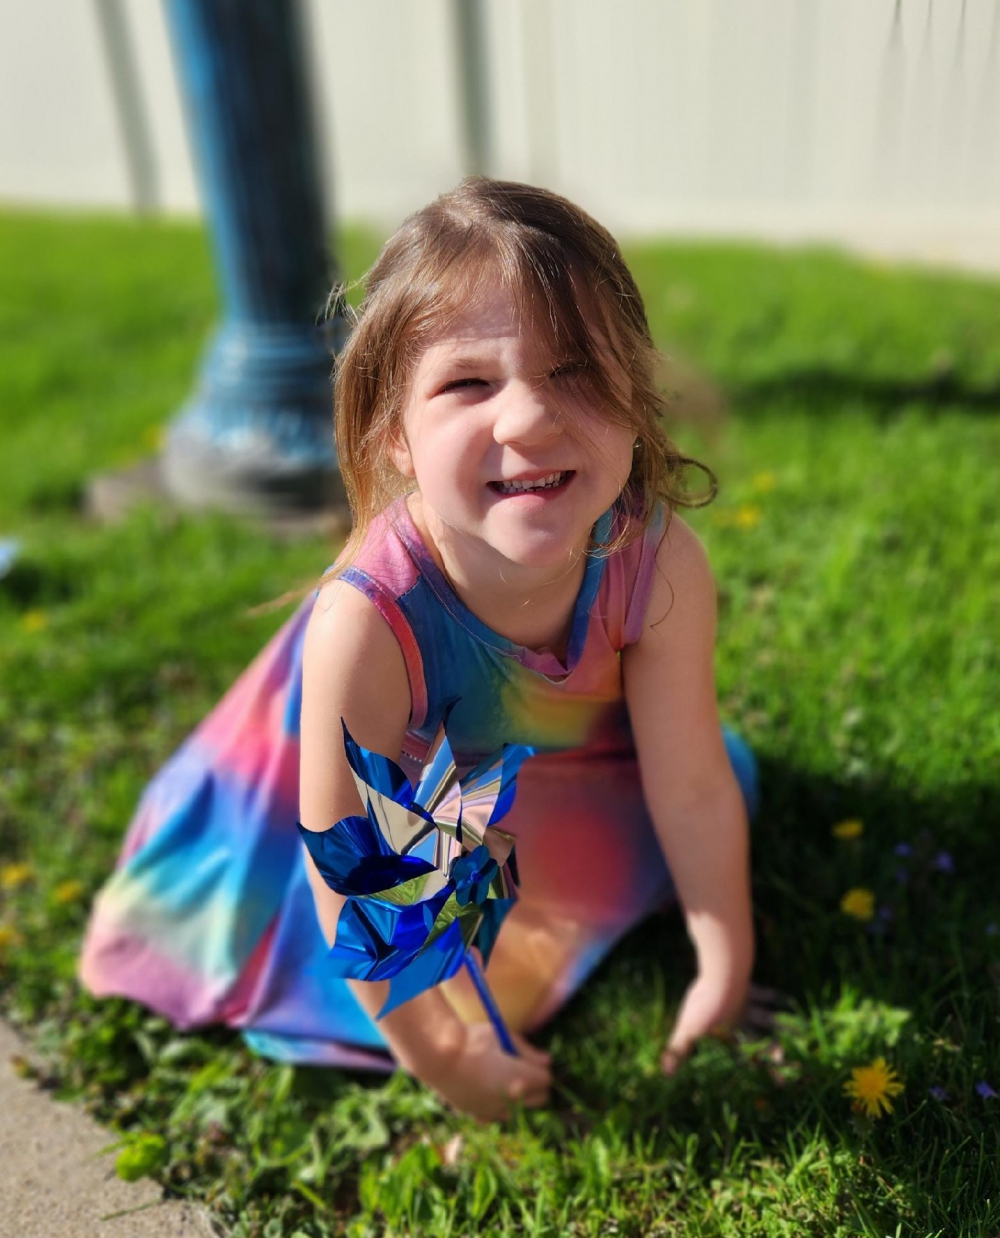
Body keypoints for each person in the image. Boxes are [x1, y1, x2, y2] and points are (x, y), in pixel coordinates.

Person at [81, 178, 759, 1123]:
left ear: (634, 394)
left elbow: (688, 786)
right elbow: (354, 876)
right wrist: (444, 1059)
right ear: (395, 433)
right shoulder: (365, 623)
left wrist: (726, 961)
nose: (528, 419)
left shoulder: (657, 559)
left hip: (555, 770)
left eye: (576, 370)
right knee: (437, 946)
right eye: (468, 384)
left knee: (720, 795)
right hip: (385, 794)